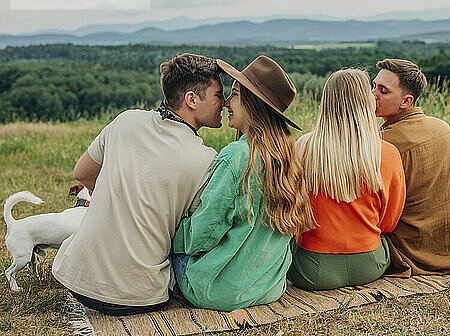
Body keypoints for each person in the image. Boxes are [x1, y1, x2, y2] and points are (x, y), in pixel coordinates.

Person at [52, 54, 225, 315]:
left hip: (77, 281)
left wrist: (117, 202)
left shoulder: (126, 120)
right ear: (192, 100)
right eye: (218, 95)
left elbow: (82, 173)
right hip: (141, 297)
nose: (223, 103)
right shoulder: (205, 159)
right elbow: (195, 232)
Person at [170, 56, 315, 311]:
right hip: (269, 287)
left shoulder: (237, 157)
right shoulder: (288, 154)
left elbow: (202, 233)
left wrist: (171, 236)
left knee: (169, 251)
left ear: (253, 104)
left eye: (234, 95)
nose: (226, 103)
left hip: (216, 291)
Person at [288, 69, 406, 290]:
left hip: (311, 270)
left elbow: (292, 211)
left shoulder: (303, 148)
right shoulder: (388, 154)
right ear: (365, 103)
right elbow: (388, 224)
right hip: (370, 265)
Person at [371, 58, 450, 277]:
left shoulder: (385, 142)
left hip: (414, 253)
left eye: (382, 90)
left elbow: (373, 210)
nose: (372, 95)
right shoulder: (443, 127)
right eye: (373, 86)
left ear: (406, 101)